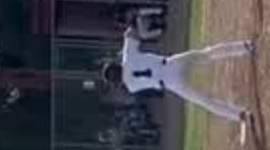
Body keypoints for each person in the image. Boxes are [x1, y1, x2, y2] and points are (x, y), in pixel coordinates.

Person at [103, 26, 255, 140]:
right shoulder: (127, 57)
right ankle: (245, 47)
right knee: (206, 55)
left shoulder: (130, 87)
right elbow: (131, 32)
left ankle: (240, 115)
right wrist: (125, 47)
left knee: (206, 102)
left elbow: (128, 76)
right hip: (171, 63)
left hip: (171, 83)